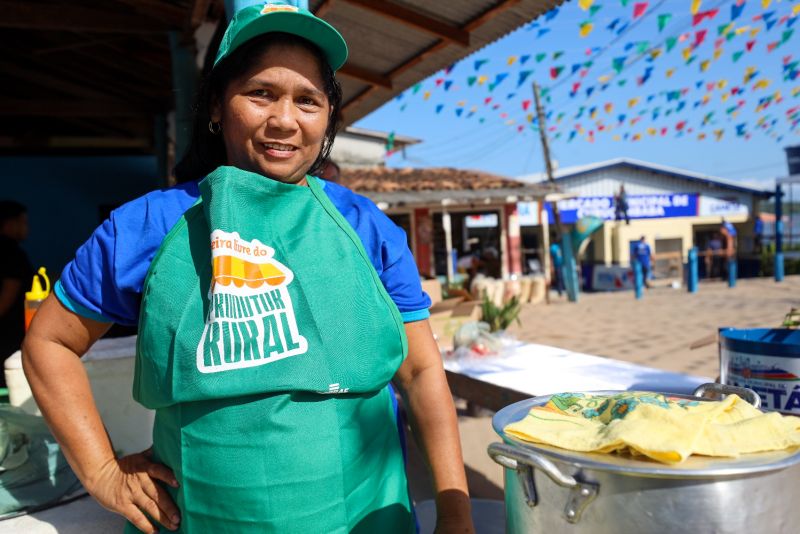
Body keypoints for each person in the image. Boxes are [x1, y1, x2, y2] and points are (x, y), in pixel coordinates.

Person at [22, 4, 473, 534]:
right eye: (261, 93)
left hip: (367, 519)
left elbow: (420, 374)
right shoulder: (148, 225)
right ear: (216, 105)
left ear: (328, 117)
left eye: (308, 100)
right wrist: (101, 472)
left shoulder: (365, 227)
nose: (284, 119)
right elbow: (49, 343)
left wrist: (456, 513)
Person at [0, 200, 33, 372]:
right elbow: (9, 292)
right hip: (9, 334)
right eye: (23, 222)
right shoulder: (11, 252)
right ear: (10, 223)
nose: (26, 228)